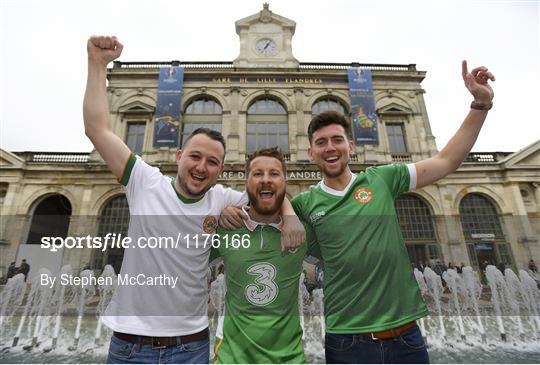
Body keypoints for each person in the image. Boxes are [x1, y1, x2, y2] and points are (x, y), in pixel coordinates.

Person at [84, 35, 305, 364]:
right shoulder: (145, 182)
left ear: (220, 170)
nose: (202, 167)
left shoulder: (220, 198)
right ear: (178, 156)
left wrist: (289, 214)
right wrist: (97, 65)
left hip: (190, 347)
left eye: (212, 162)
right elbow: (97, 129)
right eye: (195, 157)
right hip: (129, 346)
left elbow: (268, 190)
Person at [290, 61, 495, 363]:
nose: (330, 147)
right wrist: (283, 201)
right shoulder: (305, 203)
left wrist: (480, 104)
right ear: (310, 153)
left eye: (337, 140)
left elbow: (447, 161)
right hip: (347, 343)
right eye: (321, 142)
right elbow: (259, 214)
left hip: (406, 339)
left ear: (351, 146)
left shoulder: (382, 179)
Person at [212, 148, 316, 364]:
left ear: (285, 182)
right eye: (258, 174)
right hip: (230, 359)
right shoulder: (225, 228)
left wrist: (289, 211)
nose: (266, 180)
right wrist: (217, 212)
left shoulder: (304, 230)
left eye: (274, 174)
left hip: (290, 359)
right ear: (246, 182)